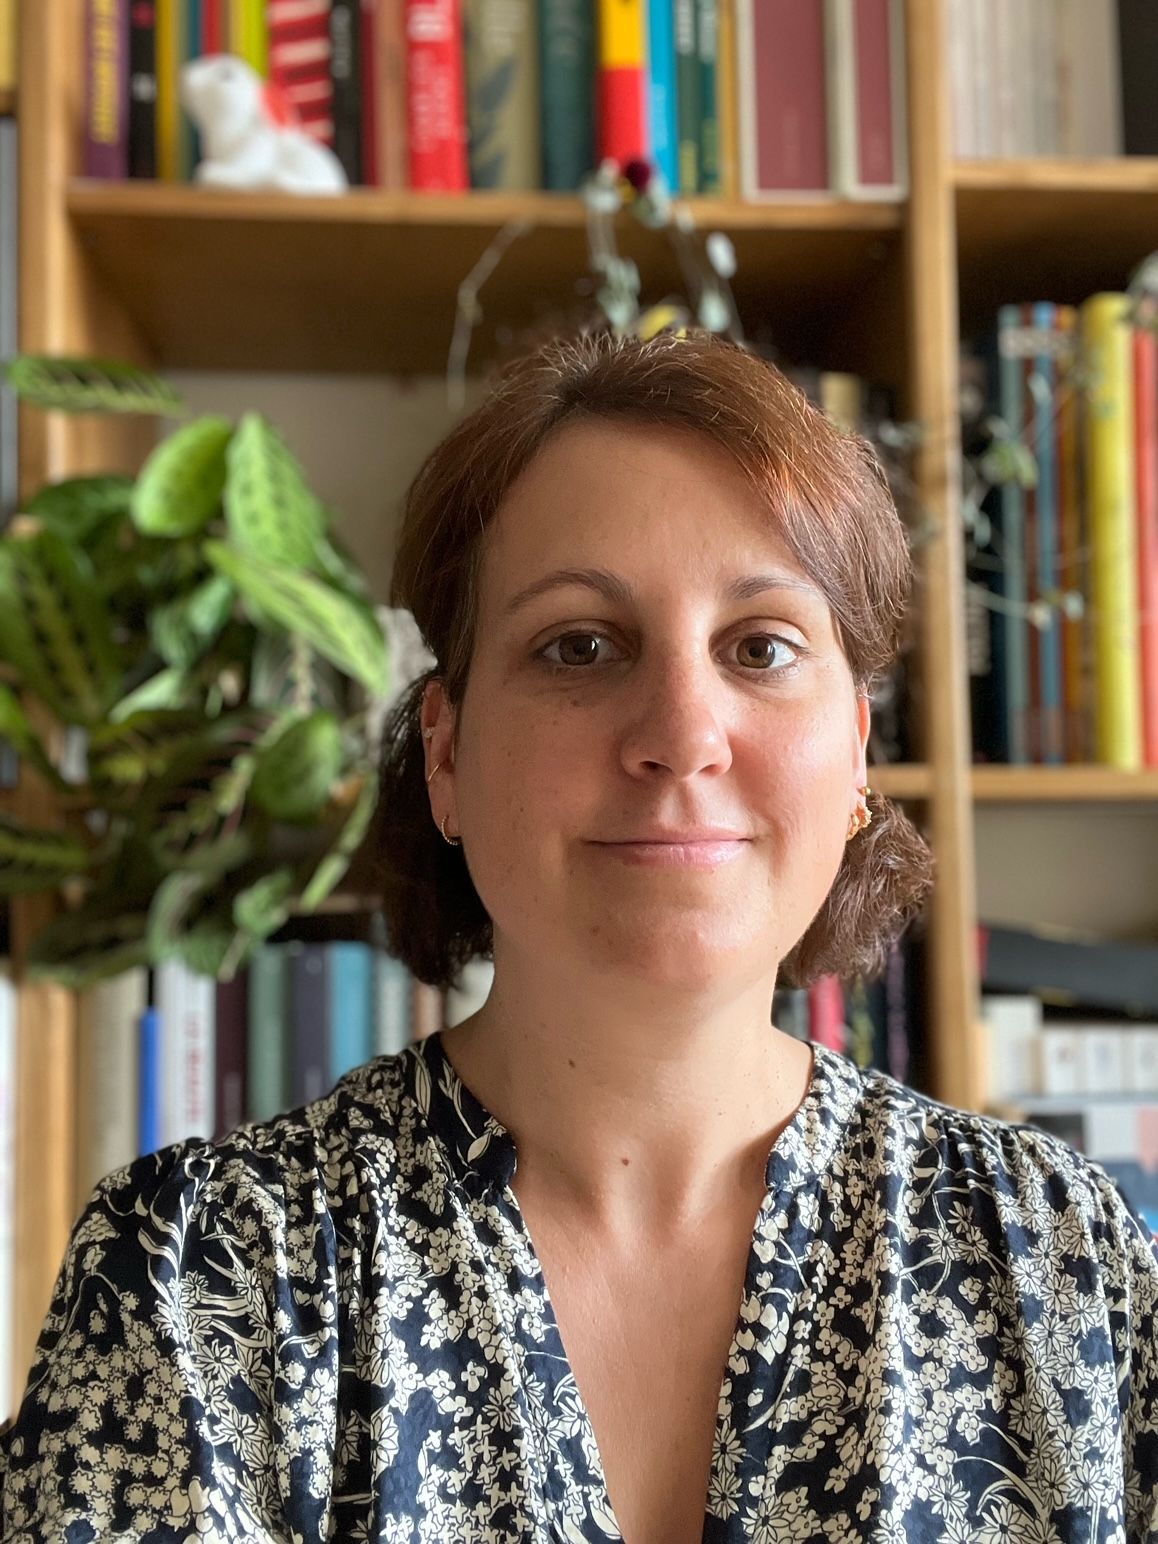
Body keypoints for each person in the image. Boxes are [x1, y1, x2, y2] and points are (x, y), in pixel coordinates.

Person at [1, 329, 1155, 1544]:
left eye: (762, 646)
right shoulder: (202, 1283)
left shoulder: (1057, 1261)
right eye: (580, 646)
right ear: (447, 753)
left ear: (858, 752)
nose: (682, 734)